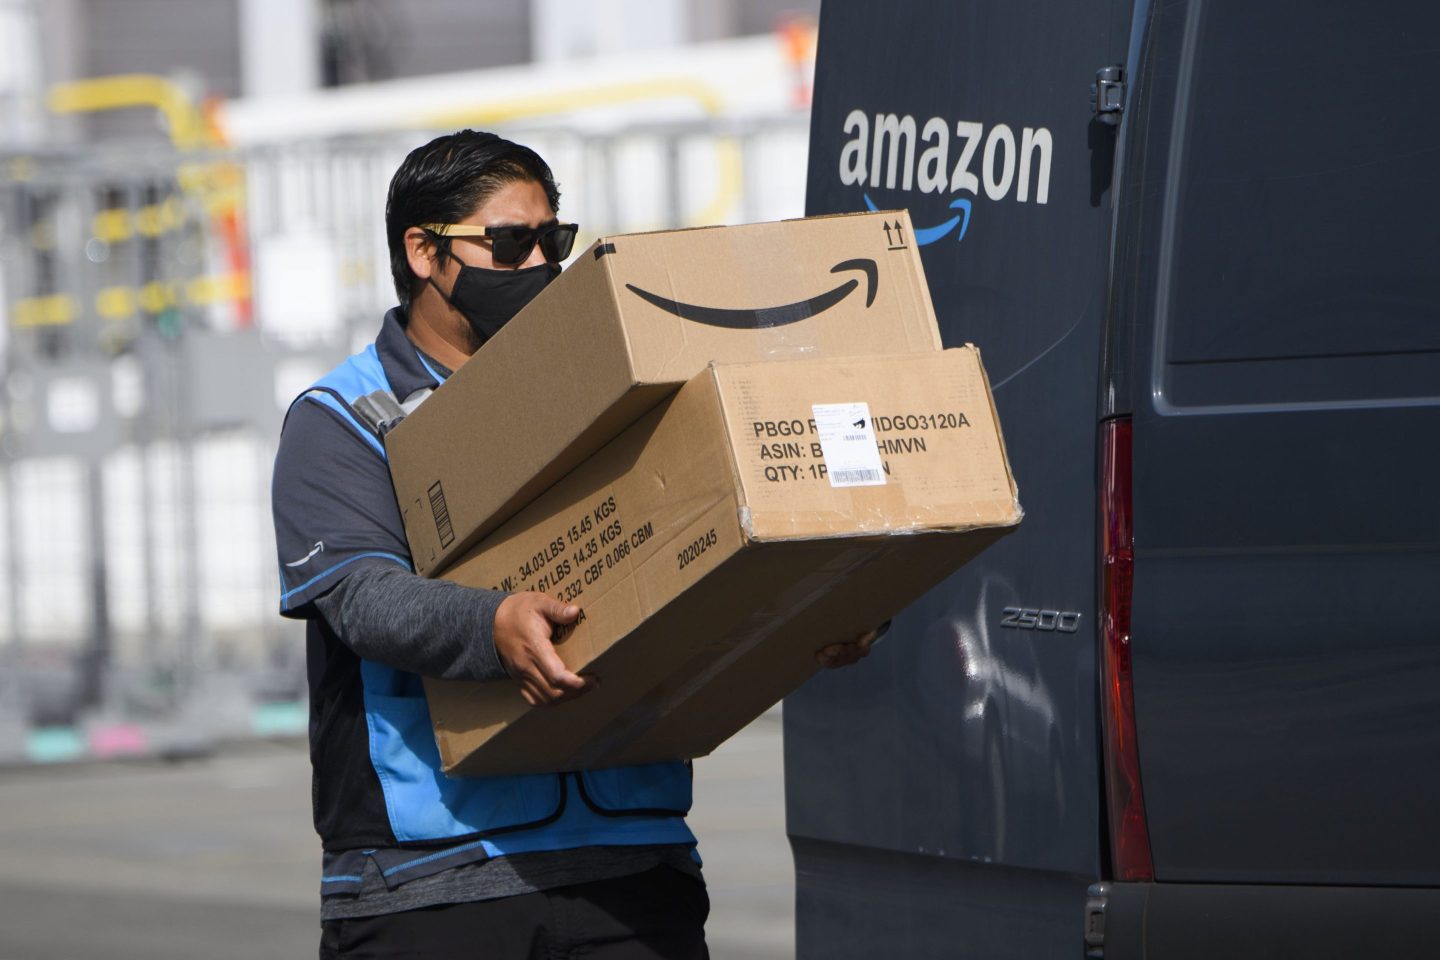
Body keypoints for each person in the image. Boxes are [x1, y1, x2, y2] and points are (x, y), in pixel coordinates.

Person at [271, 129, 880, 959]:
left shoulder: (614, 388)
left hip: (633, 867)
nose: (537, 269)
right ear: (422, 251)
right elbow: (361, 596)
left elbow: (693, 549)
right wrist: (492, 627)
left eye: (551, 243)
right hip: (432, 883)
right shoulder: (346, 417)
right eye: (509, 244)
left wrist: (818, 598)